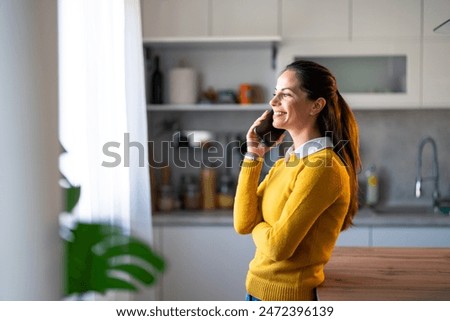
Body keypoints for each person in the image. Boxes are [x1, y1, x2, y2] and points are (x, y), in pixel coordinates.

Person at [233, 60, 361, 301]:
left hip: (288, 299)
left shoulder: (323, 168)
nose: (273, 102)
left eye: (286, 94)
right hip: (256, 291)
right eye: (274, 94)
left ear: (316, 106)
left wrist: (257, 224)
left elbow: (277, 247)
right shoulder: (287, 162)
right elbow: (242, 223)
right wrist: (254, 156)